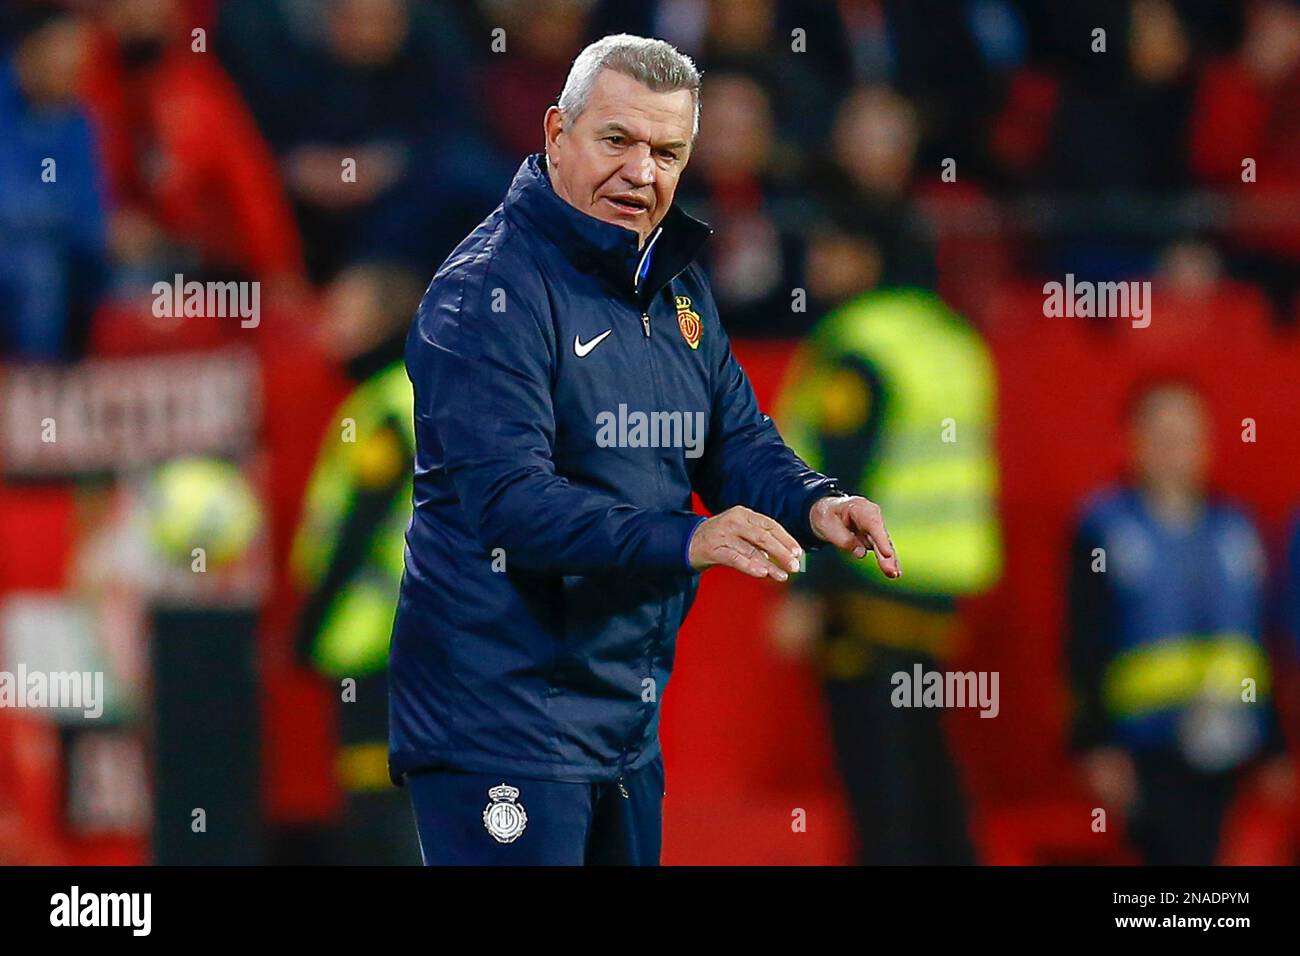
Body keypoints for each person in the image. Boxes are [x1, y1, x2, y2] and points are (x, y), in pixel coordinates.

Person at [391, 33, 901, 866]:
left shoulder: (677, 282)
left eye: (666, 151)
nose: (641, 172)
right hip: (497, 722)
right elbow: (507, 503)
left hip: (623, 723)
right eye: (617, 141)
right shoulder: (486, 293)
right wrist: (686, 538)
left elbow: (733, 436)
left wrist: (813, 501)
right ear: (557, 135)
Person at [773, 286, 1003, 864]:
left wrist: (808, 589)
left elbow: (836, 478)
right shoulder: (950, 338)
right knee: (926, 765)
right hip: (935, 596)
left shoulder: (861, 343)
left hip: (865, 596)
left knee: (882, 783)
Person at [1066, 380, 1288, 865]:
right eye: (1160, 434)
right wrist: (1095, 742)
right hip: (1146, 743)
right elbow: (1082, 640)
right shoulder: (1105, 526)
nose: (1175, 449)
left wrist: (1275, 746)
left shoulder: (1235, 528)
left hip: (1228, 742)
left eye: (1187, 435)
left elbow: (1254, 640)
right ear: (1135, 441)